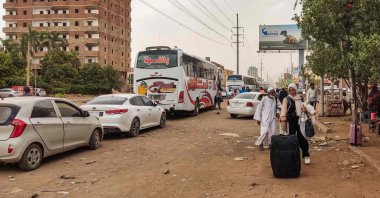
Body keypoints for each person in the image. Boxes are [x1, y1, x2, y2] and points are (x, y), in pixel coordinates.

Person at [280, 83, 311, 165]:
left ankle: (306, 155)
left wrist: (305, 110)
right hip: (291, 121)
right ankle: (292, 156)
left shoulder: (300, 98)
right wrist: (283, 117)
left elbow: (305, 106)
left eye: (293, 89)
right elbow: (283, 109)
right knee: (291, 138)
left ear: (296, 89)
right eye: (290, 90)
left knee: (302, 138)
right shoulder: (286, 99)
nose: (292, 91)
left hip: (301, 120)